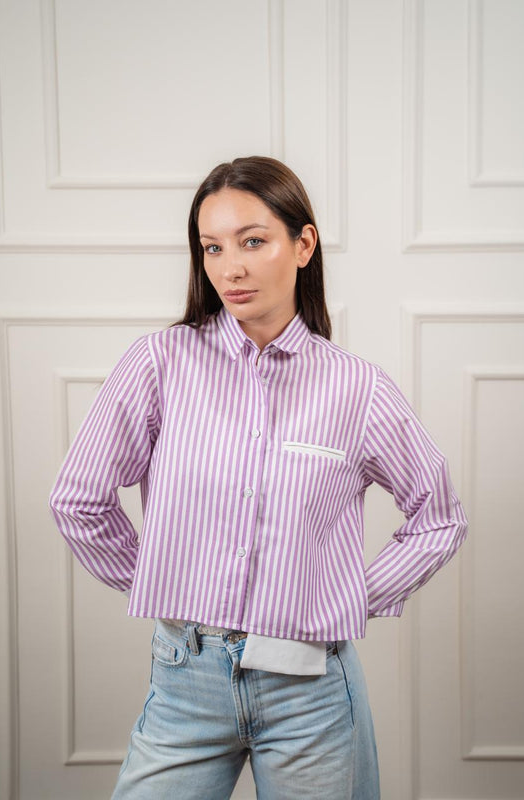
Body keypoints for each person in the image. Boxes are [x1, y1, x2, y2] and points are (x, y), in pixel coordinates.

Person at [48, 155, 468, 799]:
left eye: (252, 241)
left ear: (303, 244)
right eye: (212, 247)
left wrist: (352, 593)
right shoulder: (160, 364)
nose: (230, 267)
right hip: (185, 680)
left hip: (312, 693)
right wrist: (166, 578)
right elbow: (79, 501)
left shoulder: (357, 388)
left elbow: (439, 517)